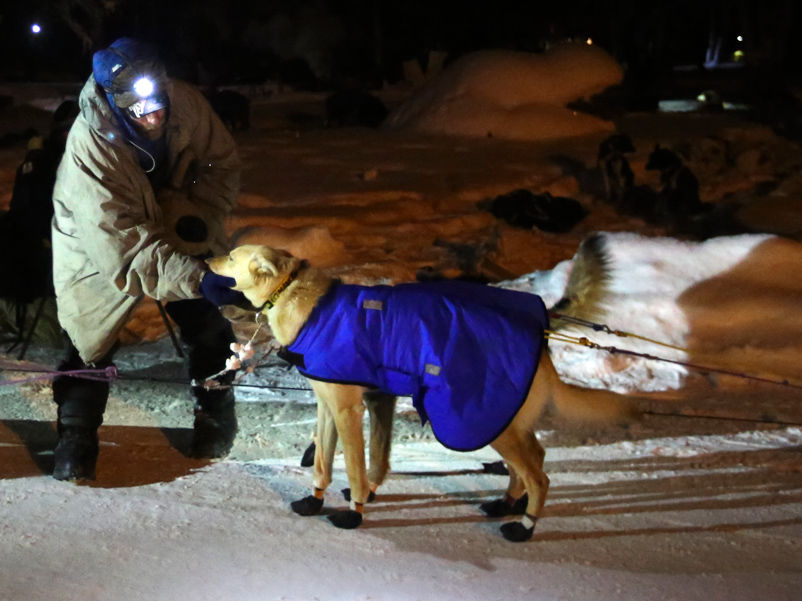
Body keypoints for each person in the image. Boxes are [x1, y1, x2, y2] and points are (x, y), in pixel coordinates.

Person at [50, 37, 246, 481]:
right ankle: (76, 435)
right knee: (89, 334)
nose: (154, 115)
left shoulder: (188, 106)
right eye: (139, 110)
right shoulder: (91, 147)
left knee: (211, 319)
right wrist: (196, 278)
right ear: (116, 104)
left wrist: (200, 213)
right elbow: (125, 252)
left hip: (171, 215)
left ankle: (215, 414)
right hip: (97, 237)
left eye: (158, 102)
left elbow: (222, 163)